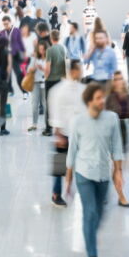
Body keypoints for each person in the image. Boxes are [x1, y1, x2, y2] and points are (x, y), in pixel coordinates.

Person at [65, 82, 124, 257]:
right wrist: (68, 177)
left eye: (103, 97)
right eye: (98, 98)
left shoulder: (112, 119)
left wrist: (118, 173)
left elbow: (117, 147)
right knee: (90, 212)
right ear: (89, 101)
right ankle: (92, 256)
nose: (103, 101)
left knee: (99, 213)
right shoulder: (78, 121)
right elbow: (72, 149)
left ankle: (89, 232)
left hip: (103, 173)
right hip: (84, 173)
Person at [48, 60, 86, 208]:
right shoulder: (59, 90)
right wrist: (58, 134)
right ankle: (56, 194)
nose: (82, 72)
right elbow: (55, 112)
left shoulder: (82, 88)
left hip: (78, 133)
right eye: (80, 69)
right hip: (64, 133)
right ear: (73, 71)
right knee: (60, 166)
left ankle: (77, 190)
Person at [105, 71, 129, 208]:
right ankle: (121, 197)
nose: (118, 81)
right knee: (118, 168)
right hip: (112, 135)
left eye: (120, 79)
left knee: (118, 167)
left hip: (124, 135)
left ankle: (106, 190)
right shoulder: (109, 98)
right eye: (115, 79)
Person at [0, 15, 26, 96]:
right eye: (4, 24)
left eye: (7, 24)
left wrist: (24, 52)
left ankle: (24, 90)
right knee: (8, 74)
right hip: (6, 56)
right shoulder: (1, 33)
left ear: (10, 22)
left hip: (15, 55)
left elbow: (21, 42)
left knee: (18, 73)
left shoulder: (17, 30)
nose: (5, 26)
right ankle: (10, 90)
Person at [27, 41, 48, 132]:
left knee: (45, 104)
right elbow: (28, 70)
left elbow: (49, 72)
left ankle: (47, 125)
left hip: (45, 82)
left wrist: (42, 68)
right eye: (40, 49)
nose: (41, 51)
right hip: (35, 82)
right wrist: (34, 68)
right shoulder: (34, 58)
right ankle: (34, 124)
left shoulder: (48, 59)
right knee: (34, 104)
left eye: (43, 49)